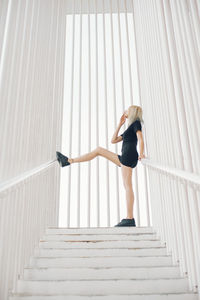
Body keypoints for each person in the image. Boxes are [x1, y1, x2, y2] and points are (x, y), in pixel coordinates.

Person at [56, 105, 146, 227]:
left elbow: (140, 138)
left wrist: (141, 154)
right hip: (127, 157)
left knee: (127, 186)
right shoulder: (129, 128)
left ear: (133, 112)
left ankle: (130, 218)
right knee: (126, 184)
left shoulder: (136, 123)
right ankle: (69, 161)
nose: (125, 111)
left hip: (129, 156)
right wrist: (120, 124)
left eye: (128, 110)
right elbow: (113, 140)